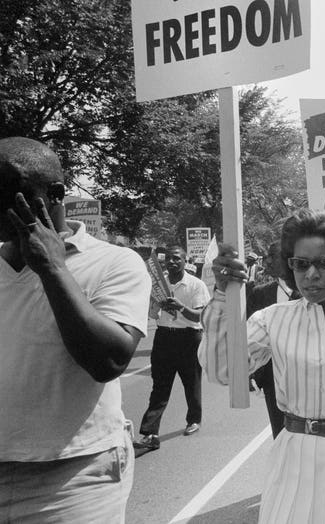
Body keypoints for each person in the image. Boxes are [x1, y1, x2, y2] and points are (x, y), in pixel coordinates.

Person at [200, 209, 325, 523]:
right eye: (301, 264)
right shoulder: (272, 319)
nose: (312, 274)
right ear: (289, 265)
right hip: (295, 453)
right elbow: (221, 370)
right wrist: (222, 295)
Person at [0, 137, 150, 521]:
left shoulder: (115, 262)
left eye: (6, 189)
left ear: (55, 194)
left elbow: (109, 360)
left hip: (75, 478)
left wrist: (52, 268)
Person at [135, 245, 211, 450]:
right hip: (164, 338)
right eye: (168, 258)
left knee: (191, 382)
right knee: (160, 386)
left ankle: (194, 419)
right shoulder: (158, 285)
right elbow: (151, 315)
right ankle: (150, 433)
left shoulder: (196, 285)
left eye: (177, 258)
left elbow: (199, 316)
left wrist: (180, 307)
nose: (172, 262)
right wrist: (157, 306)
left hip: (189, 338)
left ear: (185, 261)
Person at [245, 241, 295, 439]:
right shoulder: (259, 293)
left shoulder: (311, 293)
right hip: (272, 378)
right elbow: (249, 338)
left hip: (307, 374)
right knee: (281, 433)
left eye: (271, 256)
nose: (266, 261)